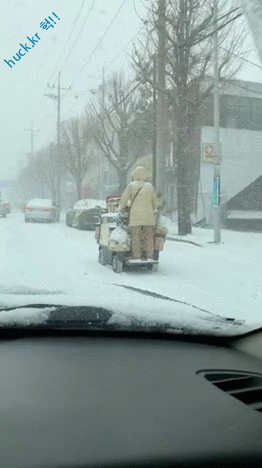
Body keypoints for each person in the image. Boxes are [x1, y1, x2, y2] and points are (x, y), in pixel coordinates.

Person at [120, 166, 157, 260]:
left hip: (136, 215)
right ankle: (149, 255)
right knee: (149, 236)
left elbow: (124, 200)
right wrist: (154, 209)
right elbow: (155, 201)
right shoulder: (149, 186)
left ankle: (136, 255)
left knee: (135, 235)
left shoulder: (131, 185)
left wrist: (121, 208)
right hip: (149, 215)